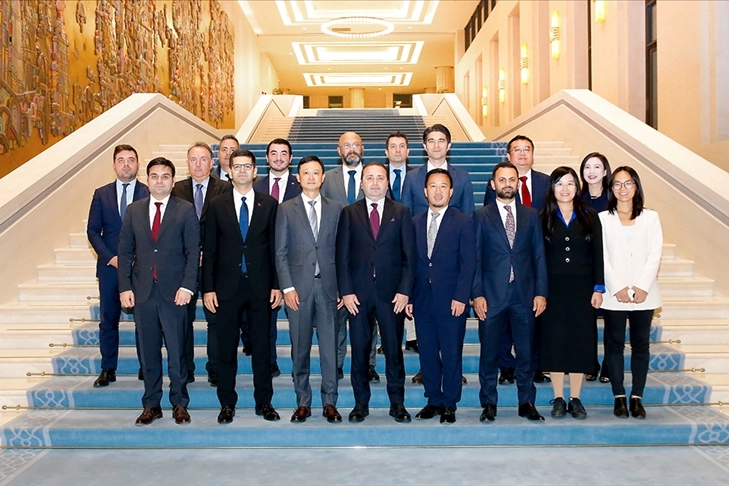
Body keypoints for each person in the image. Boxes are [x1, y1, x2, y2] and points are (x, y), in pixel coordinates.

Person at [117, 157, 200, 426]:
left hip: (175, 293)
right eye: (154, 176)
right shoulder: (134, 211)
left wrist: (187, 286)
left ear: (173, 181)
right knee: (148, 351)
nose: (159, 181)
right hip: (143, 293)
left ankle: (179, 403)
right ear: (147, 180)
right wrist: (125, 287)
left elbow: (193, 252)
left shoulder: (185, 210)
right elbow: (125, 252)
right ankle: (151, 404)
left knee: (177, 352)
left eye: (165, 176)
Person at [202, 148, 283, 424]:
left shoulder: (269, 204)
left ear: (255, 171)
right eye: (237, 166)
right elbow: (209, 250)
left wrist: (276, 284)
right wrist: (208, 288)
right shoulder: (216, 205)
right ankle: (227, 404)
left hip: (261, 287)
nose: (242, 171)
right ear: (229, 171)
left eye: (247, 166)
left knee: (262, 349)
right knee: (226, 350)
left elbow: (274, 248)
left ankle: (264, 403)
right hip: (226, 287)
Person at [336, 162, 415, 423]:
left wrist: (404, 291)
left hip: (391, 295)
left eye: (380, 178)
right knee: (359, 351)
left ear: (387, 182)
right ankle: (361, 403)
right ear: (361, 183)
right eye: (369, 178)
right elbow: (342, 256)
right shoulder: (349, 213)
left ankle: (397, 403)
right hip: (358, 296)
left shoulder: (401, 212)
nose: (375, 182)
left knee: (393, 351)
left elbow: (409, 257)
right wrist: (346, 292)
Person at [473, 162, 548, 422]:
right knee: (489, 354)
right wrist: (477, 294)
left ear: (518, 182)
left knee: (526, 353)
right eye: (502, 180)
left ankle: (526, 402)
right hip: (491, 296)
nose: (507, 184)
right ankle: (488, 403)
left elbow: (539, 256)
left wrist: (541, 292)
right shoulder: (481, 216)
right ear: (493, 184)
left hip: (525, 295)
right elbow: (475, 259)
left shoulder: (531, 215)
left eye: (512, 179)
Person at [275, 155, 343, 423]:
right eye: (306, 173)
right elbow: (280, 253)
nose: (311, 177)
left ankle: (330, 401)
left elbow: (342, 251)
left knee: (330, 349)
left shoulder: (336, 209)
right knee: (300, 348)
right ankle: (303, 401)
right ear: (298, 177)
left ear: (323, 177)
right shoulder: (286, 209)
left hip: (329, 289)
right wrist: (287, 287)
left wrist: (342, 287)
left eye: (316, 172)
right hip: (298, 291)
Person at [407, 168, 476, 424]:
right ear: (425, 192)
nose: (438, 191)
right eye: (433, 186)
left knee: (451, 352)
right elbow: (410, 264)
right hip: (422, 299)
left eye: (443, 186)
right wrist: (409, 297)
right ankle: (433, 400)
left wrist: (462, 296)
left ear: (451, 192)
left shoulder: (463, 221)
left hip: (452, 300)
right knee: (426, 352)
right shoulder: (414, 222)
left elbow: (469, 263)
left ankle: (449, 403)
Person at [538, 167, 605, 420]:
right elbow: (537, 256)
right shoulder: (542, 216)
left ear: (577, 187)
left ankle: (575, 398)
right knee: (555, 341)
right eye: (559, 184)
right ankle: (558, 397)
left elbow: (598, 252)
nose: (564, 189)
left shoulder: (590, 215)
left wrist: (598, 287)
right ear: (552, 188)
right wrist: (539, 290)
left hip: (582, 288)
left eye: (569, 183)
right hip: (552, 288)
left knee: (580, 341)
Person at [484, 135, 551, 385]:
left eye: (527, 149)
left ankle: (534, 366)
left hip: (532, 258)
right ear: (508, 154)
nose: (522, 154)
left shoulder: (546, 182)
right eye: (517, 150)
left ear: (533, 154)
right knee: (502, 326)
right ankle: (506, 366)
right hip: (501, 269)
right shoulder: (497, 186)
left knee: (532, 324)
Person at [600, 166, 663, 420]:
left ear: (636, 186)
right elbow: (602, 257)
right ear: (611, 188)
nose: (622, 188)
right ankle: (618, 396)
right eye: (617, 184)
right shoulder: (603, 218)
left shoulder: (651, 217)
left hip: (644, 294)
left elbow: (655, 254)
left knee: (640, 345)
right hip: (614, 294)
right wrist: (618, 287)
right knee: (614, 344)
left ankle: (637, 397)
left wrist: (641, 286)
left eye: (628, 183)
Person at [87, 144, 149, 387]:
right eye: (121, 160)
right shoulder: (101, 194)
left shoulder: (147, 192)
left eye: (131, 160)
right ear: (114, 165)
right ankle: (108, 368)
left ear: (138, 164)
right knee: (108, 319)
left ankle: (146, 366)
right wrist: (111, 258)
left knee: (143, 320)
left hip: (140, 268)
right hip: (110, 268)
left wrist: (138, 257)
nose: (126, 164)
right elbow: (93, 231)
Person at [171, 142, 231, 386]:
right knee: (182, 320)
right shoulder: (176, 189)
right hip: (182, 265)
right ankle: (185, 368)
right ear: (187, 163)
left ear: (212, 162)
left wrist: (209, 252)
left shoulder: (225, 188)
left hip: (214, 265)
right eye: (193, 159)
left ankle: (215, 367)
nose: (198, 164)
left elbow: (228, 227)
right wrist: (191, 253)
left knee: (214, 319)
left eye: (203, 159)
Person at [253, 138, 301, 377]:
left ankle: (299, 365)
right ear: (267, 158)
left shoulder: (301, 185)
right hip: (263, 261)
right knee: (266, 316)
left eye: (284, 153)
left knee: (298, 318)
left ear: (290, 158)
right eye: (274, 153)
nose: (279, 157)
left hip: (296, 259)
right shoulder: (255, 187)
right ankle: (269, 361)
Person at [320, 131, 367, 382]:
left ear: (362, 148)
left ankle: (368, 364)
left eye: (355, 145)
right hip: (334, 255)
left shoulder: (374, 176)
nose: (351, 149)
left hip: (366, 258)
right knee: (336, 317)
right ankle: (336, 363)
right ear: (339, 151)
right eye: (346, 145)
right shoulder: (327, 178)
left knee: (367, 317)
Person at [384, 131, 418, 355]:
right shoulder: (376, 176)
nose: (397, 150)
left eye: (402, 146)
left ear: (408, 151)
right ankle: (385, 337)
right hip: (384, 244)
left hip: (411, 239)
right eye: (393, 146)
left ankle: (413, 336)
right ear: (386, 152)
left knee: (411, 284)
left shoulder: (418, 176)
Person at [579, 152, 612, 383]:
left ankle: (609, 366)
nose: (592, 171)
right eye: (587, 167)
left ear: (605, 171)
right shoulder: (577, 199)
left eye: (597, 167)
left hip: (613, 265)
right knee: (586, 320)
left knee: (612, 318)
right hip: (587, 267)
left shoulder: (613, 199)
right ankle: (590, 363)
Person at [401, 124, 475, 217]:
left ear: (448, 145)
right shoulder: (411, 177)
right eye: (431, 141)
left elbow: (468, 215)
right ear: (425, 146)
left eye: (441, 141)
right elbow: (405, 216)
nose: (436, 146)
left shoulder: (462, 178)